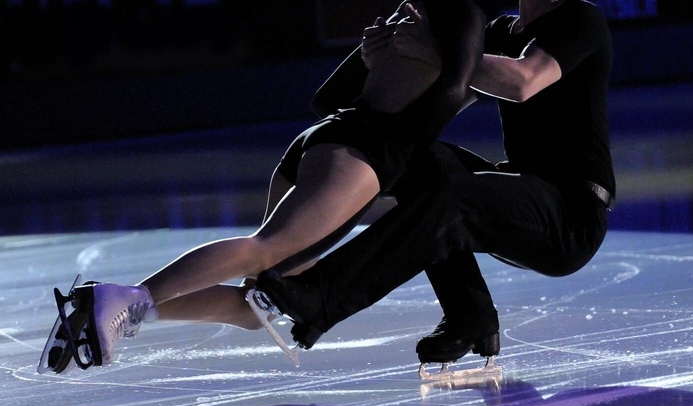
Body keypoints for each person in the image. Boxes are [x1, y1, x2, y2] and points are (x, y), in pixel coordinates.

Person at [41, 0, 489, 373]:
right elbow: (454, 90)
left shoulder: (401, 18)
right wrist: (406, 143)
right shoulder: (461, 14)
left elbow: (325, 101)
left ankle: (109, 305)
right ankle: (128, 298)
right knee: (268, 248)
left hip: (329, 141)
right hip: (364, 151)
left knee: (257, 307)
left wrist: (384, 78)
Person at [253, 0, 615, 371]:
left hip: (571, 213)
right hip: (522, 188)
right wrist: (375, 59)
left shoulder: (580, 17)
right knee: (415, 160)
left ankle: (323, 297)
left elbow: (524, 81)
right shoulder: (500, 32)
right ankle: (470, 316)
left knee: (455, 199)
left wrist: (432, 50)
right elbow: (400, 99)